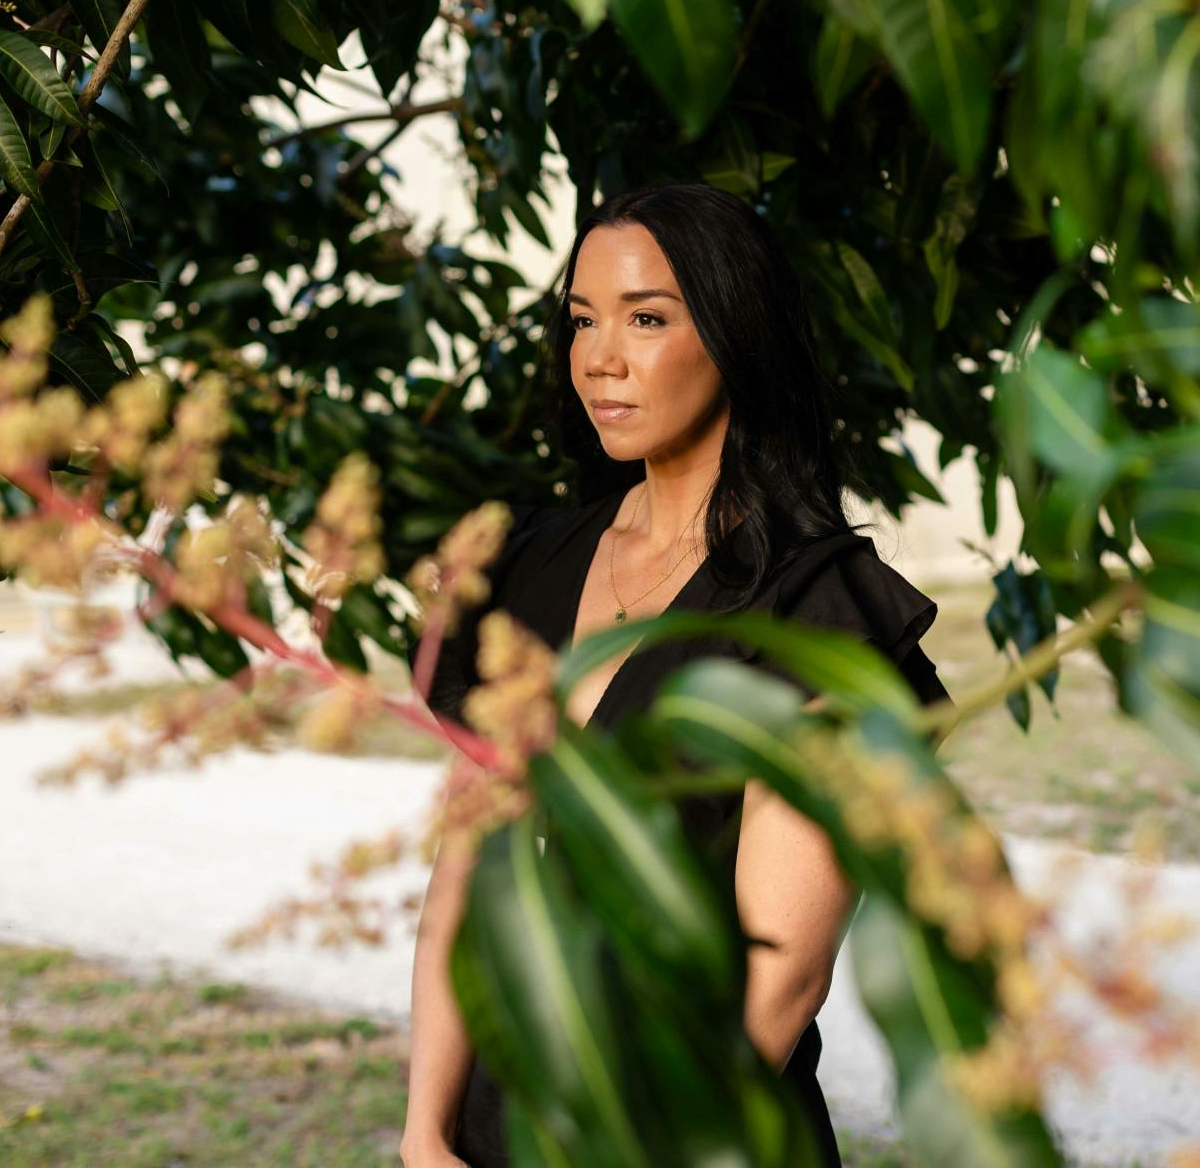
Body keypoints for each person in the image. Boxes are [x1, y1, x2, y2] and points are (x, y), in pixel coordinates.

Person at [398, 182, 951, 1167]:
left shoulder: (818, 616)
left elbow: (775, 986)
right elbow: (465, 876)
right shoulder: (526, 565)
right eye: (580, 321)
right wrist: (425, 1131)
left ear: (734, 336)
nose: (598, 359)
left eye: (645, 319)